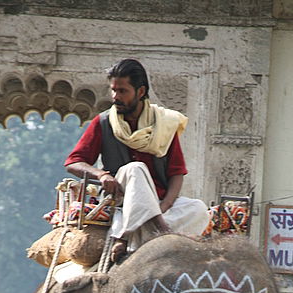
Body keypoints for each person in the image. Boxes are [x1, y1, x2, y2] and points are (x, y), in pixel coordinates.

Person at [65, 57, 209, 262]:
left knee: (199, 209)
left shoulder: (164, 123)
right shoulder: (104, 122)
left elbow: (176, 173)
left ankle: (129, 235)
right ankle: (162, 232)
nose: (115, 97)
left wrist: (164, 206)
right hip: (120, 199)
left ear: (140, 92)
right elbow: (73, 162)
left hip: (158, 203)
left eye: (122, 91)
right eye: (113, 90)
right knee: (135, 168)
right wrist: (101, 175)